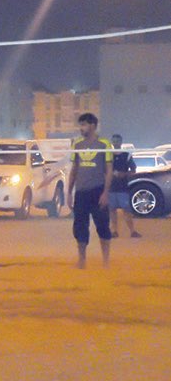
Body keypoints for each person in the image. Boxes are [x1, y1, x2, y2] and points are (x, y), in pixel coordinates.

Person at [68, 113, 113, 268]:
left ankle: (106, 261)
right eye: (80, 125)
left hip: (98, 191)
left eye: (84, 125)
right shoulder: (77, 144)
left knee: (103, 226)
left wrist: (105, 193)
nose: (81, 128)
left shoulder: (104, 144)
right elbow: (74, 169)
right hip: (81, 193)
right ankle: (82, 260)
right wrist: (69, 192)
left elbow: (109, 169)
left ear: (93, 125)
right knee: (80, 227)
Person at [109, 134, 140, 239]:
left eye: (117, 141)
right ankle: (114, 231)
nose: (115, 143)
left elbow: (133, 170)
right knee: (112, 210)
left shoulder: (126, 155)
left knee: (126, 210)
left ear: (121, 142)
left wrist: (124, 174)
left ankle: (132, 231)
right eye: (114, 141)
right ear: (112, 142)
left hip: (122, 188)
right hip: (111, 188)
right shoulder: (108, 155)